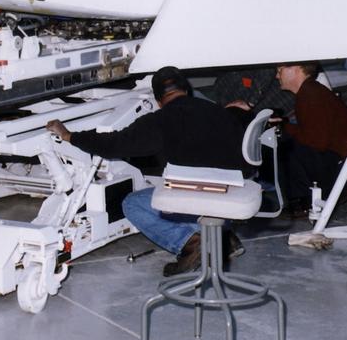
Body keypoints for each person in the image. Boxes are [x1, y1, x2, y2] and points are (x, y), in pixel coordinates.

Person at [45, 66, 249, 277]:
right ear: (186, 91)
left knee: (133, 204)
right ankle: (222, 236)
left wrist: (70, 136)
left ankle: (192, 242)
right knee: (185, 181)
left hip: (198, 193)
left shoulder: (159, 121)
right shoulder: (218, 110)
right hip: (233, 192)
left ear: (159, 100)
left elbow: (114, 145)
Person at [274, 62, 347, 217]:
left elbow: (315, 142)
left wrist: (285, 128)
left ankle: (304, 202)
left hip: (342, 169)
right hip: (344, 165)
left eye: (279, 70)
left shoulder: (310, 94)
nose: (277, 76)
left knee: (286, 148)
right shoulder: (311, 91)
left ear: (297, 69)